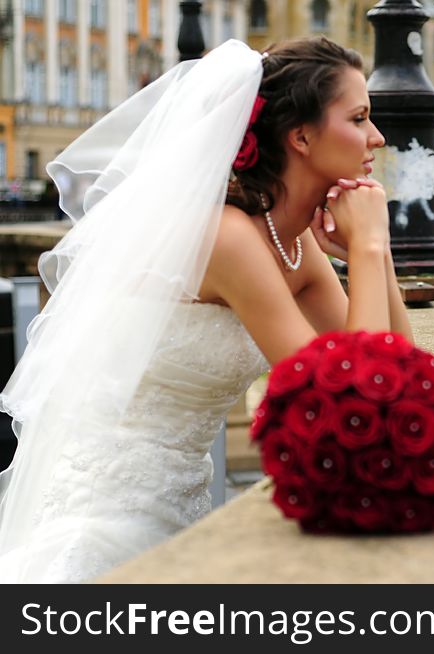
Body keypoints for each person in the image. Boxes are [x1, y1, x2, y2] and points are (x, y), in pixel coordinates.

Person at [0, 37, 411, 583]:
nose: (377, 138)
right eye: (359, 118)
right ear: (302, 137)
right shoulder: (229, 239)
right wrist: (365, 248)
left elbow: (398, 371)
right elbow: (349, 400)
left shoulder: (288, 241)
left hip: (183, 501)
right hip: (109, 516)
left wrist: (374, 256)